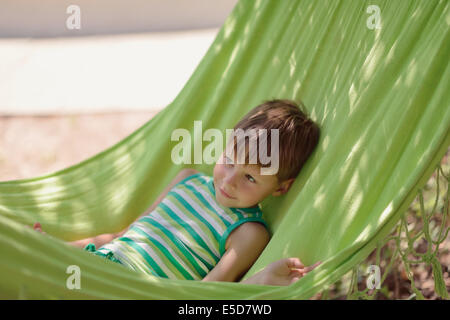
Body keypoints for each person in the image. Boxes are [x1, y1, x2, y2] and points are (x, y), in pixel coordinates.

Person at [33, 99, 321, 286]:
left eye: (249, 177)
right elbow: (128, 234)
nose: (230, 180)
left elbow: (209, 293)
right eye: (229, 160)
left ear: (281, 187)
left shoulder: (248, 232)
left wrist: (261, 281)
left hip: (135, 290)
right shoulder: (187, 179)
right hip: (99, 268)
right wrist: (55, 250)